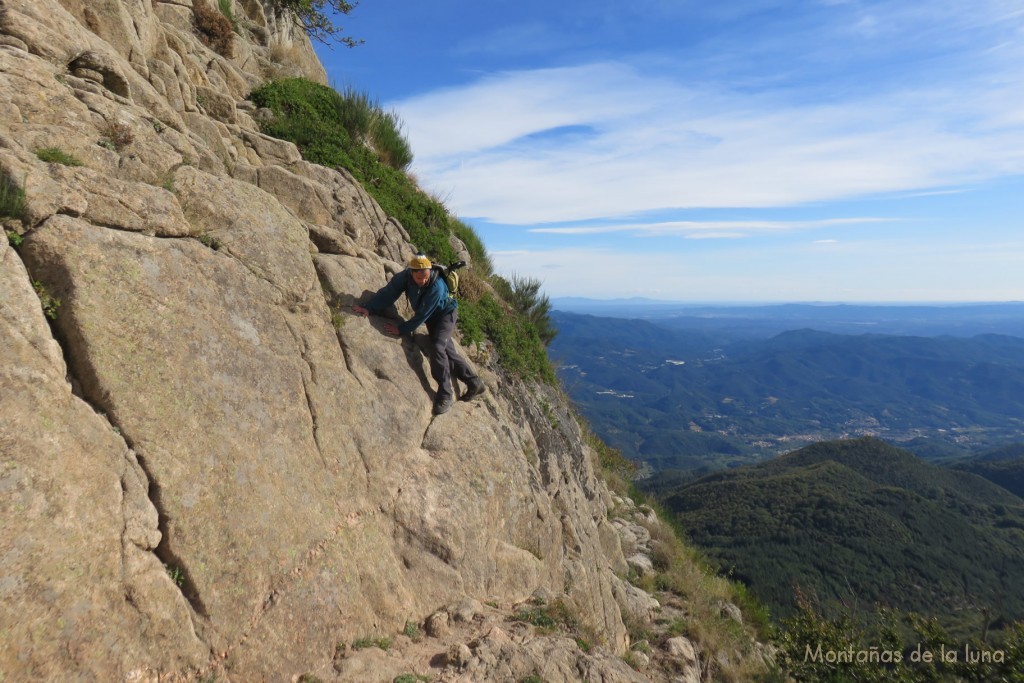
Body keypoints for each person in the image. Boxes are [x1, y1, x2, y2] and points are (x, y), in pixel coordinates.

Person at [353, 254, 486, 415]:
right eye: (419, 278)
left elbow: (421, 316)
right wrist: (370, 307)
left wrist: (401, 330)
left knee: (438, 347)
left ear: (430, 271)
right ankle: (474, 382)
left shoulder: (437, 287)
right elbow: (389, 292)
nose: (423, 281)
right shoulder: (405, 277)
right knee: (447, 350)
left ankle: (445, 393)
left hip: (446, 315)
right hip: (432, 316)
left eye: (426, 277)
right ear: (411, 272)